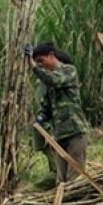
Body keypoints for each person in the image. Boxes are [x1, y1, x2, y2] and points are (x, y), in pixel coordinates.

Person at [25, 42, 90, 183]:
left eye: (41, 61)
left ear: (51, 55)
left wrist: (33, 67)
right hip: (59, 137)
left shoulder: (68, 71)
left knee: (75, 180)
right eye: (37, 62)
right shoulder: (49, 84)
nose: (40, 65)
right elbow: (46, 108)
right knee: (61, 181)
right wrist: (40, 119)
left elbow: (54, 80)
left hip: (75, 133)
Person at [30, 47, 73, 191]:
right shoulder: (48, 86)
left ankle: (36, 193)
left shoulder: (58, 80)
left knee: (60, 172)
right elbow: (43, 110)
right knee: (57, 173)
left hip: (52, 133)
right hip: (49, 133)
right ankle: (31, 192)